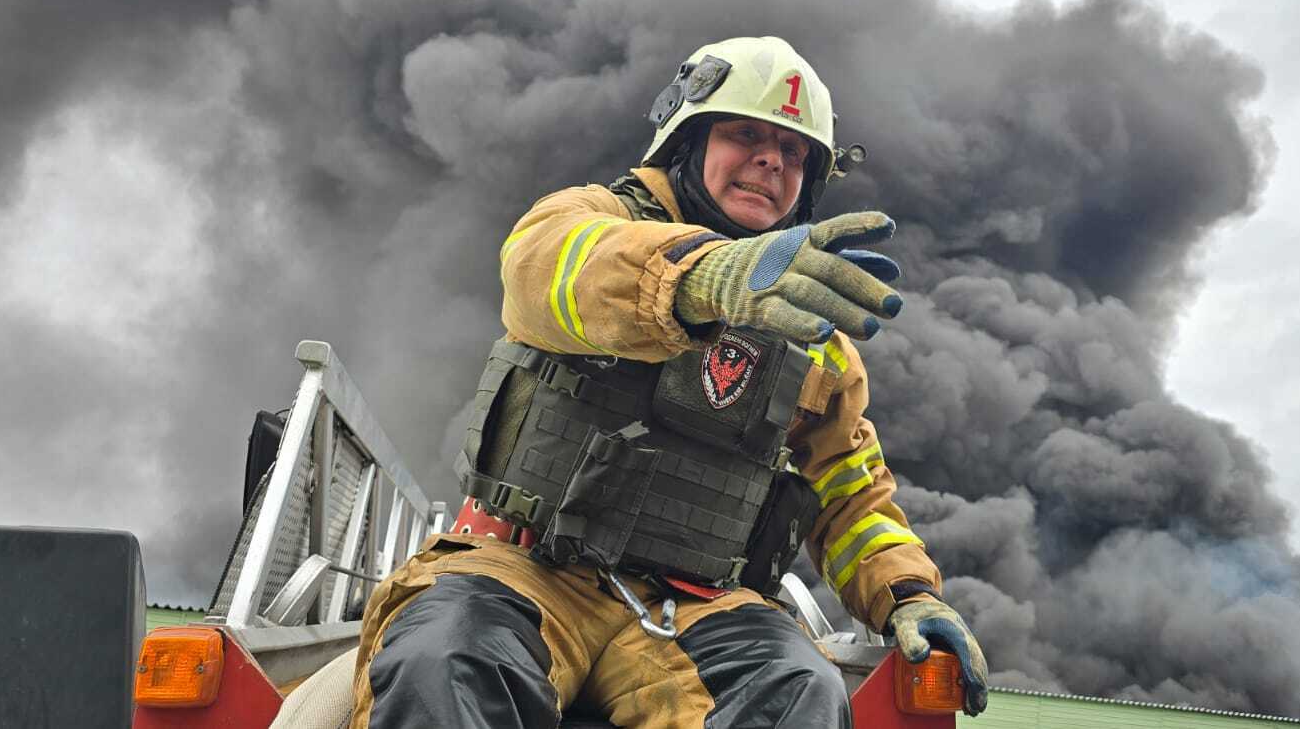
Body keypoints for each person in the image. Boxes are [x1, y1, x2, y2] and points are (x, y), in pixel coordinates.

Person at [349, 36, 988, 728]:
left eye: (795, 152)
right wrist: (698, 278)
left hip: (699, 604)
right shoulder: (594, 220)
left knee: (799, 692)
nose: (772, 159)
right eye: (746, 133)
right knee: (442, 664)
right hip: (522, 570)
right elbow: (539, 272)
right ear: (686, 141)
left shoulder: (817, 339)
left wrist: (908, 594)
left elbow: (849, 495)